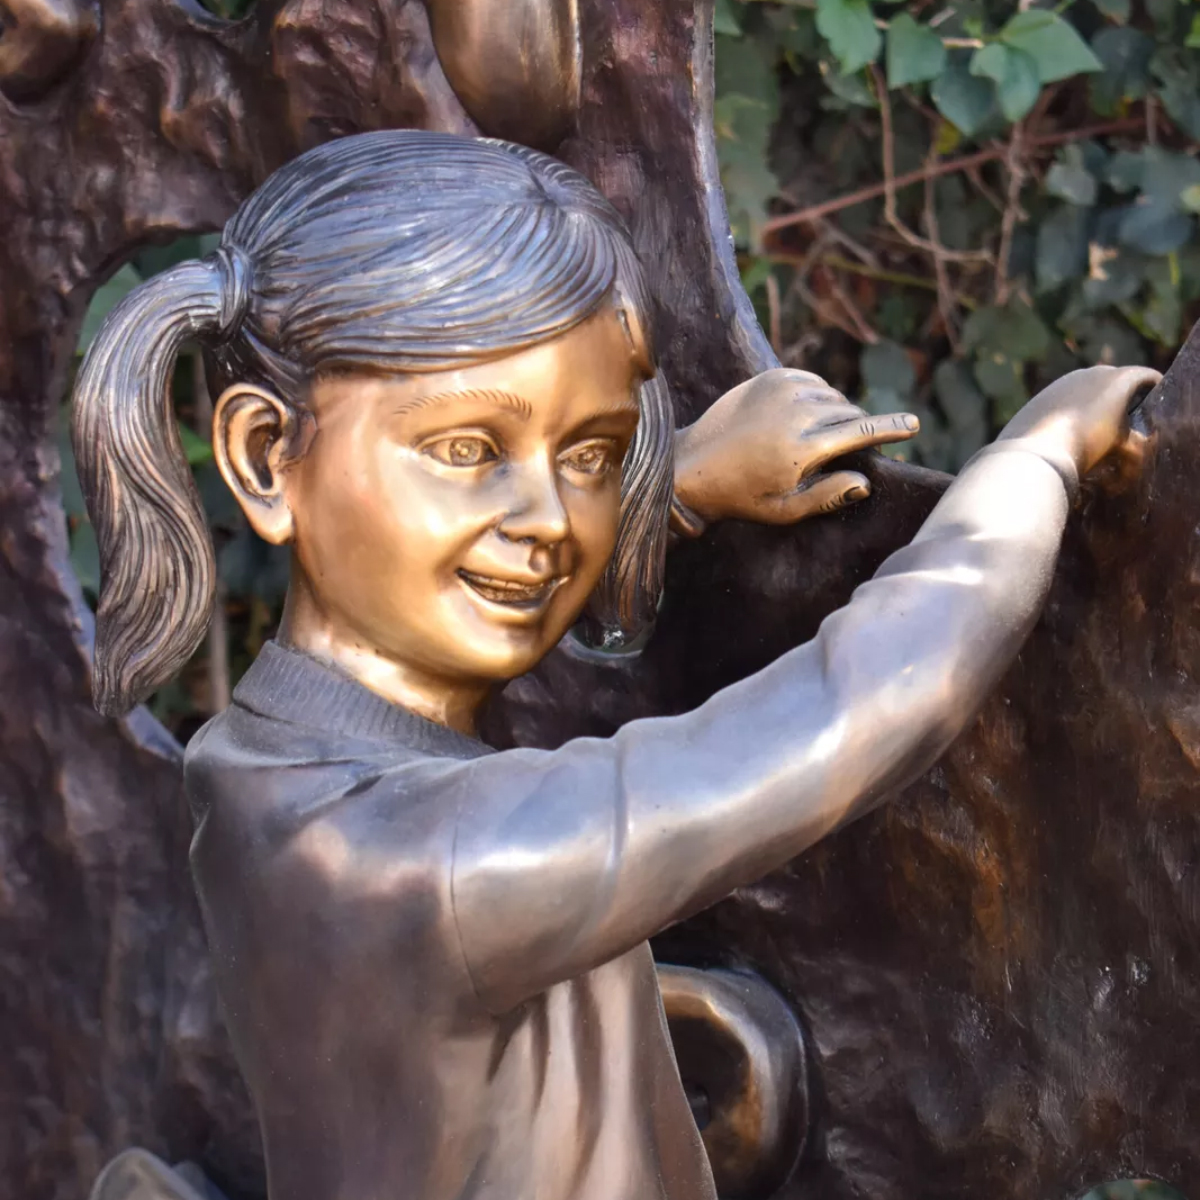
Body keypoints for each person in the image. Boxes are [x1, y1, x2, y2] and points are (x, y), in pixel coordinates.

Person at [71, 129, 1158, 1200]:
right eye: (466, 452)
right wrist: (1035, 463)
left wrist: (671, 491)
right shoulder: (415, 864)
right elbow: (859, 708)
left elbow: (486, 580)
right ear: (268, 457)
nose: (546, 520)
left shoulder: (267, 759)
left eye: (588, 453)